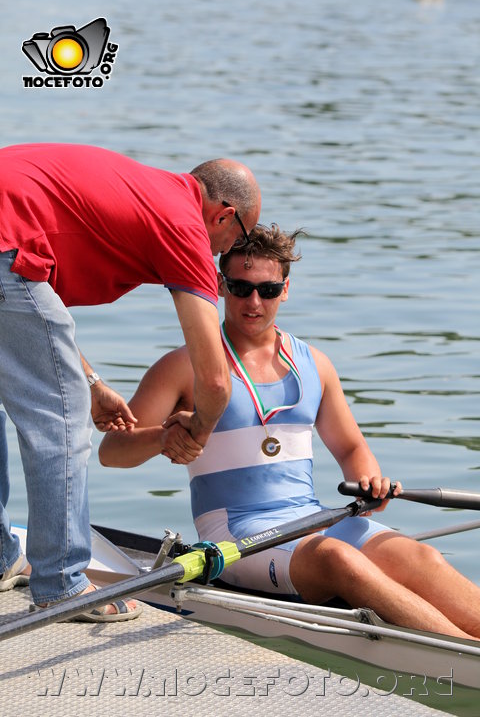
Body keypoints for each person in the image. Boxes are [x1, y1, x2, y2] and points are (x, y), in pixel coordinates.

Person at [99, 223, 480, 639]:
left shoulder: (314, 363)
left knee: (421, 558)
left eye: (268, 289)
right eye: (241, 288)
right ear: (220, 286)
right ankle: (464, 657)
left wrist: (369, 479)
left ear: (286, 289)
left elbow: (351, 447)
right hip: (237, 535)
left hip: (314, 519)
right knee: (337, 559)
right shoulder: (184, 366)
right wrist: (161, 439)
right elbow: (112, 451)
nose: (254, 302)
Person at [0, 142, 261, 619]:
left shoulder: (147, 191)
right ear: (224, 216)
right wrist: (196, 433)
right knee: (60, 422)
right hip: (6, 245)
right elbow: (216, 379)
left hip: (8, 241)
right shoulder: (184, 225)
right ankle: (60, 583)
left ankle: (0, 558)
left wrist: (94, 384)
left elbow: (29, 315)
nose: (230, 252)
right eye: (240, 236)